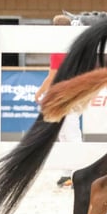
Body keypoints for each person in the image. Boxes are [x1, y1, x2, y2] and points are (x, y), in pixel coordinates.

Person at [35, 14, 82, 188]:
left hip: (63, 93)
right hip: (73, 90)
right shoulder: (73, 46)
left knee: (69, 133)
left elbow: (53, 74)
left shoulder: (58, 47)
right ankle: (67, 173)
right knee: (66, 132)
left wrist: (40, 92)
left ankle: (76, 172)